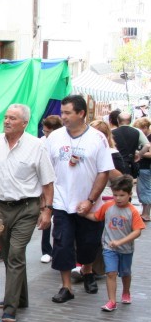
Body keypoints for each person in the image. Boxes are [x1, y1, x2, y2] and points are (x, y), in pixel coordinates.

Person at [0, 104, 55, 322]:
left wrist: (46, 211)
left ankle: (10, 307)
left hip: (27, 208)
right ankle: (21, 298)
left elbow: (48, 182)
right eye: (6, 117)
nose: (7, 121)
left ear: (24, 123)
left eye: (12, 118)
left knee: (16, 254)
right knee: (11, 253)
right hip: (0, 207)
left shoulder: (36, 146)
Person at [45, 95, 114, 303]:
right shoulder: (54, 137)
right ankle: (66, 286)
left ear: (81, 113)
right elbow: (46, 171)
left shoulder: (97, 138)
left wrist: (91, 200)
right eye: (62, 112)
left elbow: (104, 171)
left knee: (88, 244)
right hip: (61, 202)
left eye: (67, 113)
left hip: (89, 206)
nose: (63, 117)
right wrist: (46, 206)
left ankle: (87, 270)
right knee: (62, 245)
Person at [82, 175, 144, 311]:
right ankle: (112, 301)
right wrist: (83, 213)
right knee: (111, 273)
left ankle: (126, 292)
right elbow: (96, 217)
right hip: (109, 248)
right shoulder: (108, 206)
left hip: (126, 249)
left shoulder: (132, 211)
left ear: (129, 195)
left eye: (122, 195)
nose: (118, 198)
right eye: (115, 195)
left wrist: (120, 241)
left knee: (125, 273)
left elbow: (137, 231)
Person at [39, 115, 63, 264]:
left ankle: (58, 249)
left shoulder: (62, 141)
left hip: (60, 184)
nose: (45, 134)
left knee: (60, 220)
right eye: (44, 131)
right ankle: (46, 250)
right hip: (47, 184)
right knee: (46, 216)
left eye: (48, 131)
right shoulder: (41, 142)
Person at [111, 111, 148, 178]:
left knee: (116, 185)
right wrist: (139, 154)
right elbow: (147, 145)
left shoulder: (112, 132)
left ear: (118, 120)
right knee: (127, 185)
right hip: (130, 164)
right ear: (130, 121)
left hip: (115, 164)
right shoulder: (137, 131)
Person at [133, 118, 151, 221]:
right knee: (143, 189)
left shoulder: (149, 138)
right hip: (143, 167)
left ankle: (146, 213)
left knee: (144, 189)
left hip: (146, 167)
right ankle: (145, 212)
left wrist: (138, 153)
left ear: (145, 128)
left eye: (139, 129)